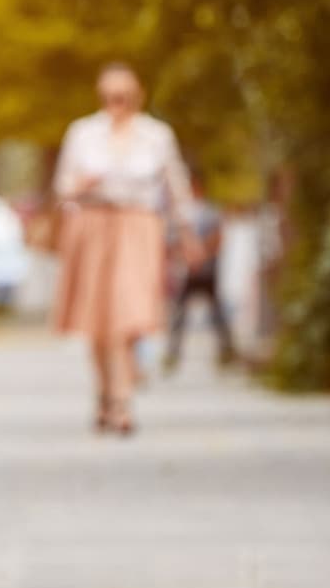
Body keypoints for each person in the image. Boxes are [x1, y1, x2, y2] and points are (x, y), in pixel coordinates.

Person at [52, 62, 204, 434]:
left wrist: (188, 235)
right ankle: (106, 394)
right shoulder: (84, 132)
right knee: (97, 321)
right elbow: (62, 187)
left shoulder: (156, 135)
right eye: (108, 96)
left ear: (136, 96)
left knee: (127, 313)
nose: (115, 103)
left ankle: (121, 399)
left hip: (138, 226)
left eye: (121, 96)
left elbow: (177, 188)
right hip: (92, 224)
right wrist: (81, 185)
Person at [164, 168, 237, 370]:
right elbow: (174, 242)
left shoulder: (210, 211)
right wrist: (186, 257)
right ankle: (173, 354)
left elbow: (218, 237)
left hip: (208, 270)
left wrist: (201, 254)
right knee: (179, 314)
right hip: (187, 271)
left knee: (217, 313)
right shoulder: (181, 213)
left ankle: (226, 351)